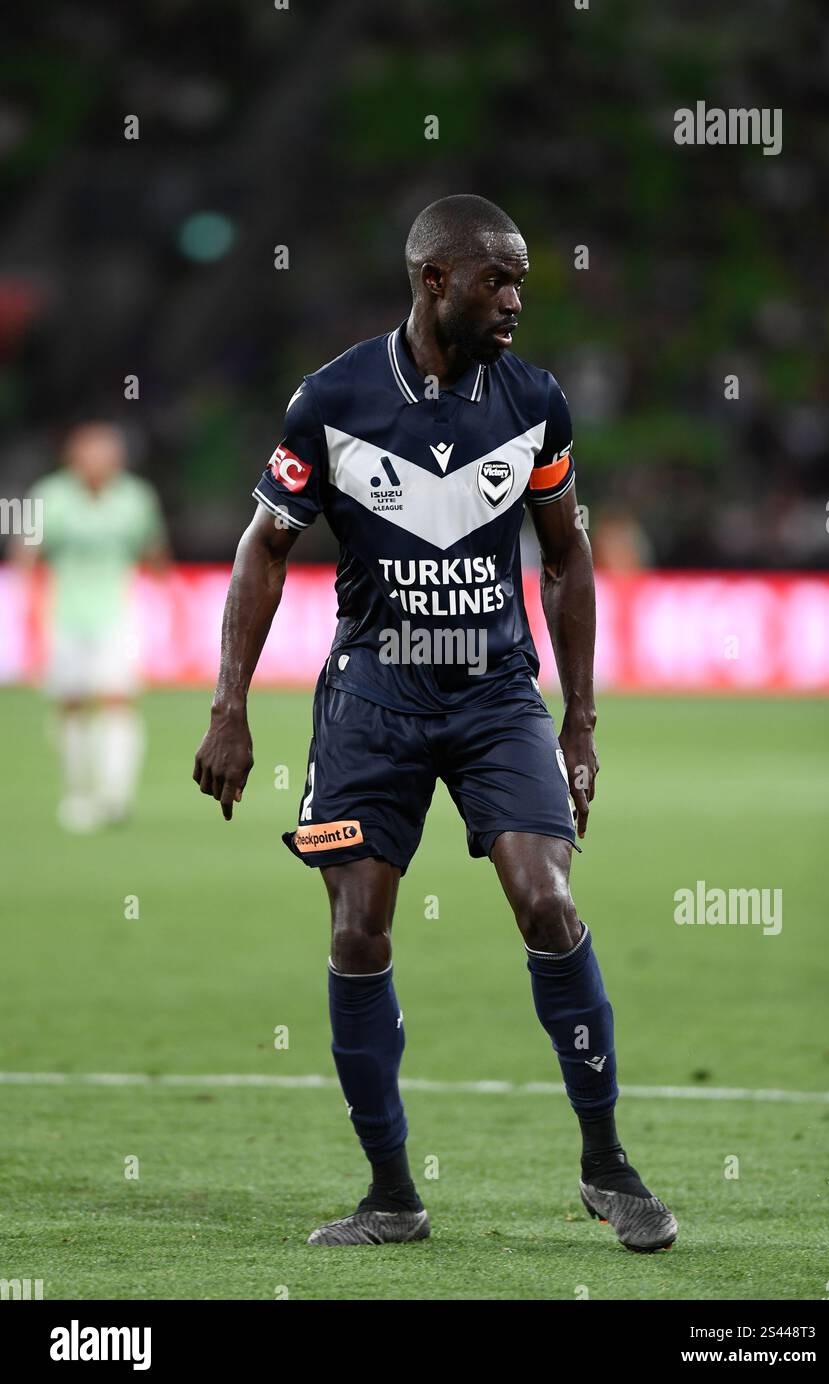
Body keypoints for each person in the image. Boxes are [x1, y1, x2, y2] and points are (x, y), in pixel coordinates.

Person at [194, 195, 677, 1252]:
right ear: (432, 282)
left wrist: (580, 720)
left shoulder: (536, 403)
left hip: (495, 692)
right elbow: (262, 548)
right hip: (371, 698)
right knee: (357, 929)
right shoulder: (332, 400)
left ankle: (605, 1162)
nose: (513, 300)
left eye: (519, 281)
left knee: (546, 901)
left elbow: (563, 555)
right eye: (495, 280)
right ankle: (390, 1194)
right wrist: (229, 705)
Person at [17, 421, 169, 831]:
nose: (101, 461)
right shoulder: (48, 495)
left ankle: (115, 796)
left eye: (108, 453)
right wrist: (26, 605)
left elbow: (154, 550)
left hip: (118, 613)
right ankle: (77, 791)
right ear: (73, 456)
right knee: (72, 703)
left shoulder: (137, 497)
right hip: (64, 613)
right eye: (92, 452)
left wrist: (166, 595)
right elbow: (24, 552)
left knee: (118, 698)